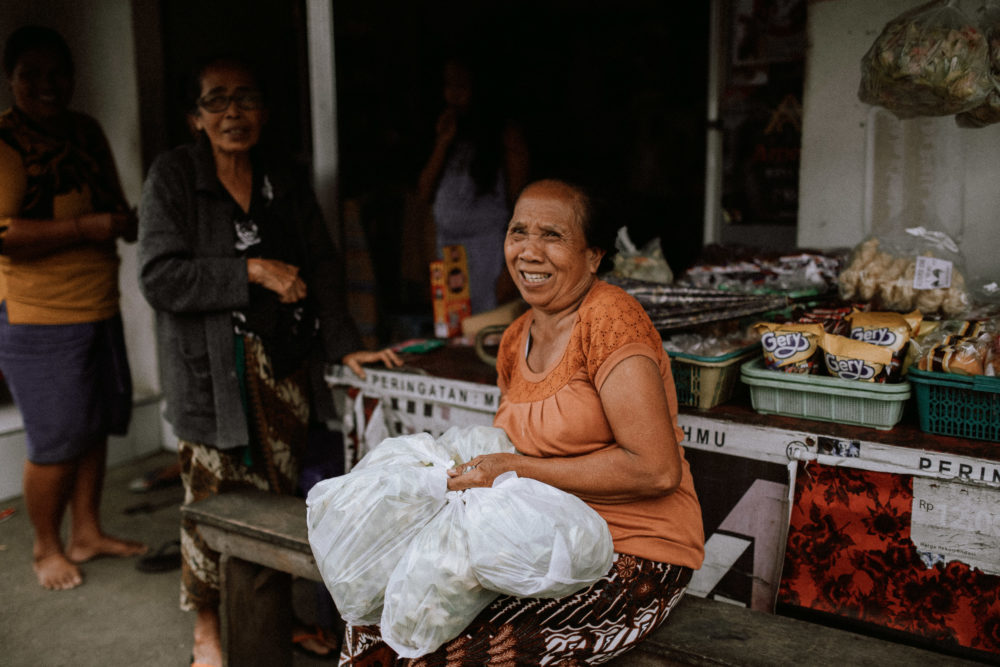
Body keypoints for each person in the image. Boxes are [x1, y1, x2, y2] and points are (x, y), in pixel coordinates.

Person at [340, 179, 704, 665]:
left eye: (552, 235)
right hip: (540, 540)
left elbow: (657, 469)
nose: (529, 252)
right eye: (518, 232)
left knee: (441, 654)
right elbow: (513, 453)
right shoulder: (515, 338)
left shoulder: (611, 318)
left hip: (631, 554)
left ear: (593, 256)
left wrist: (515, 468)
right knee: (377, 618)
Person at [137, 55, 402, 667]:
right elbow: (159, 277)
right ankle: (207, 630)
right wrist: (250, 271)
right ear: (195, 117)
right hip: (210, 374)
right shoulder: (174, 175)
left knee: (278, 500)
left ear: (265, 109)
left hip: (281, 368)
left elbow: (324, 264)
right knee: (210, 499)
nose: (234, 111)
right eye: (217, 100)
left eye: (246, 98)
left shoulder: (282, 177)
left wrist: (343, 344)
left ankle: (274, 619)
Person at [0, 25, 147, 592]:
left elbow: (110, 198)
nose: (46, 84)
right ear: (10, 79)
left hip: (97, 304)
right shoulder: (6, 140)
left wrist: (123, 219)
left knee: (94, 427)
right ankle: (45, 547)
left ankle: (87, 531)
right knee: (56, 440)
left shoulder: (85, 130)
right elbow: (4, 233)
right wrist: (87, 226)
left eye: (56, 72)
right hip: (37, 315)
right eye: (30, 74)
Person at [417, 54, 530, 315]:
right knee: (454, 330)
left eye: (461, 86)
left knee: (486, 330)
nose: (452, 95)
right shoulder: (449, 133)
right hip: (448, 250)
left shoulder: (506, 136)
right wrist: (442, 142)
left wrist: (510, 266)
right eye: (448, 86)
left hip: (488, 252)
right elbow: (424, 192)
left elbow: (520, 204)